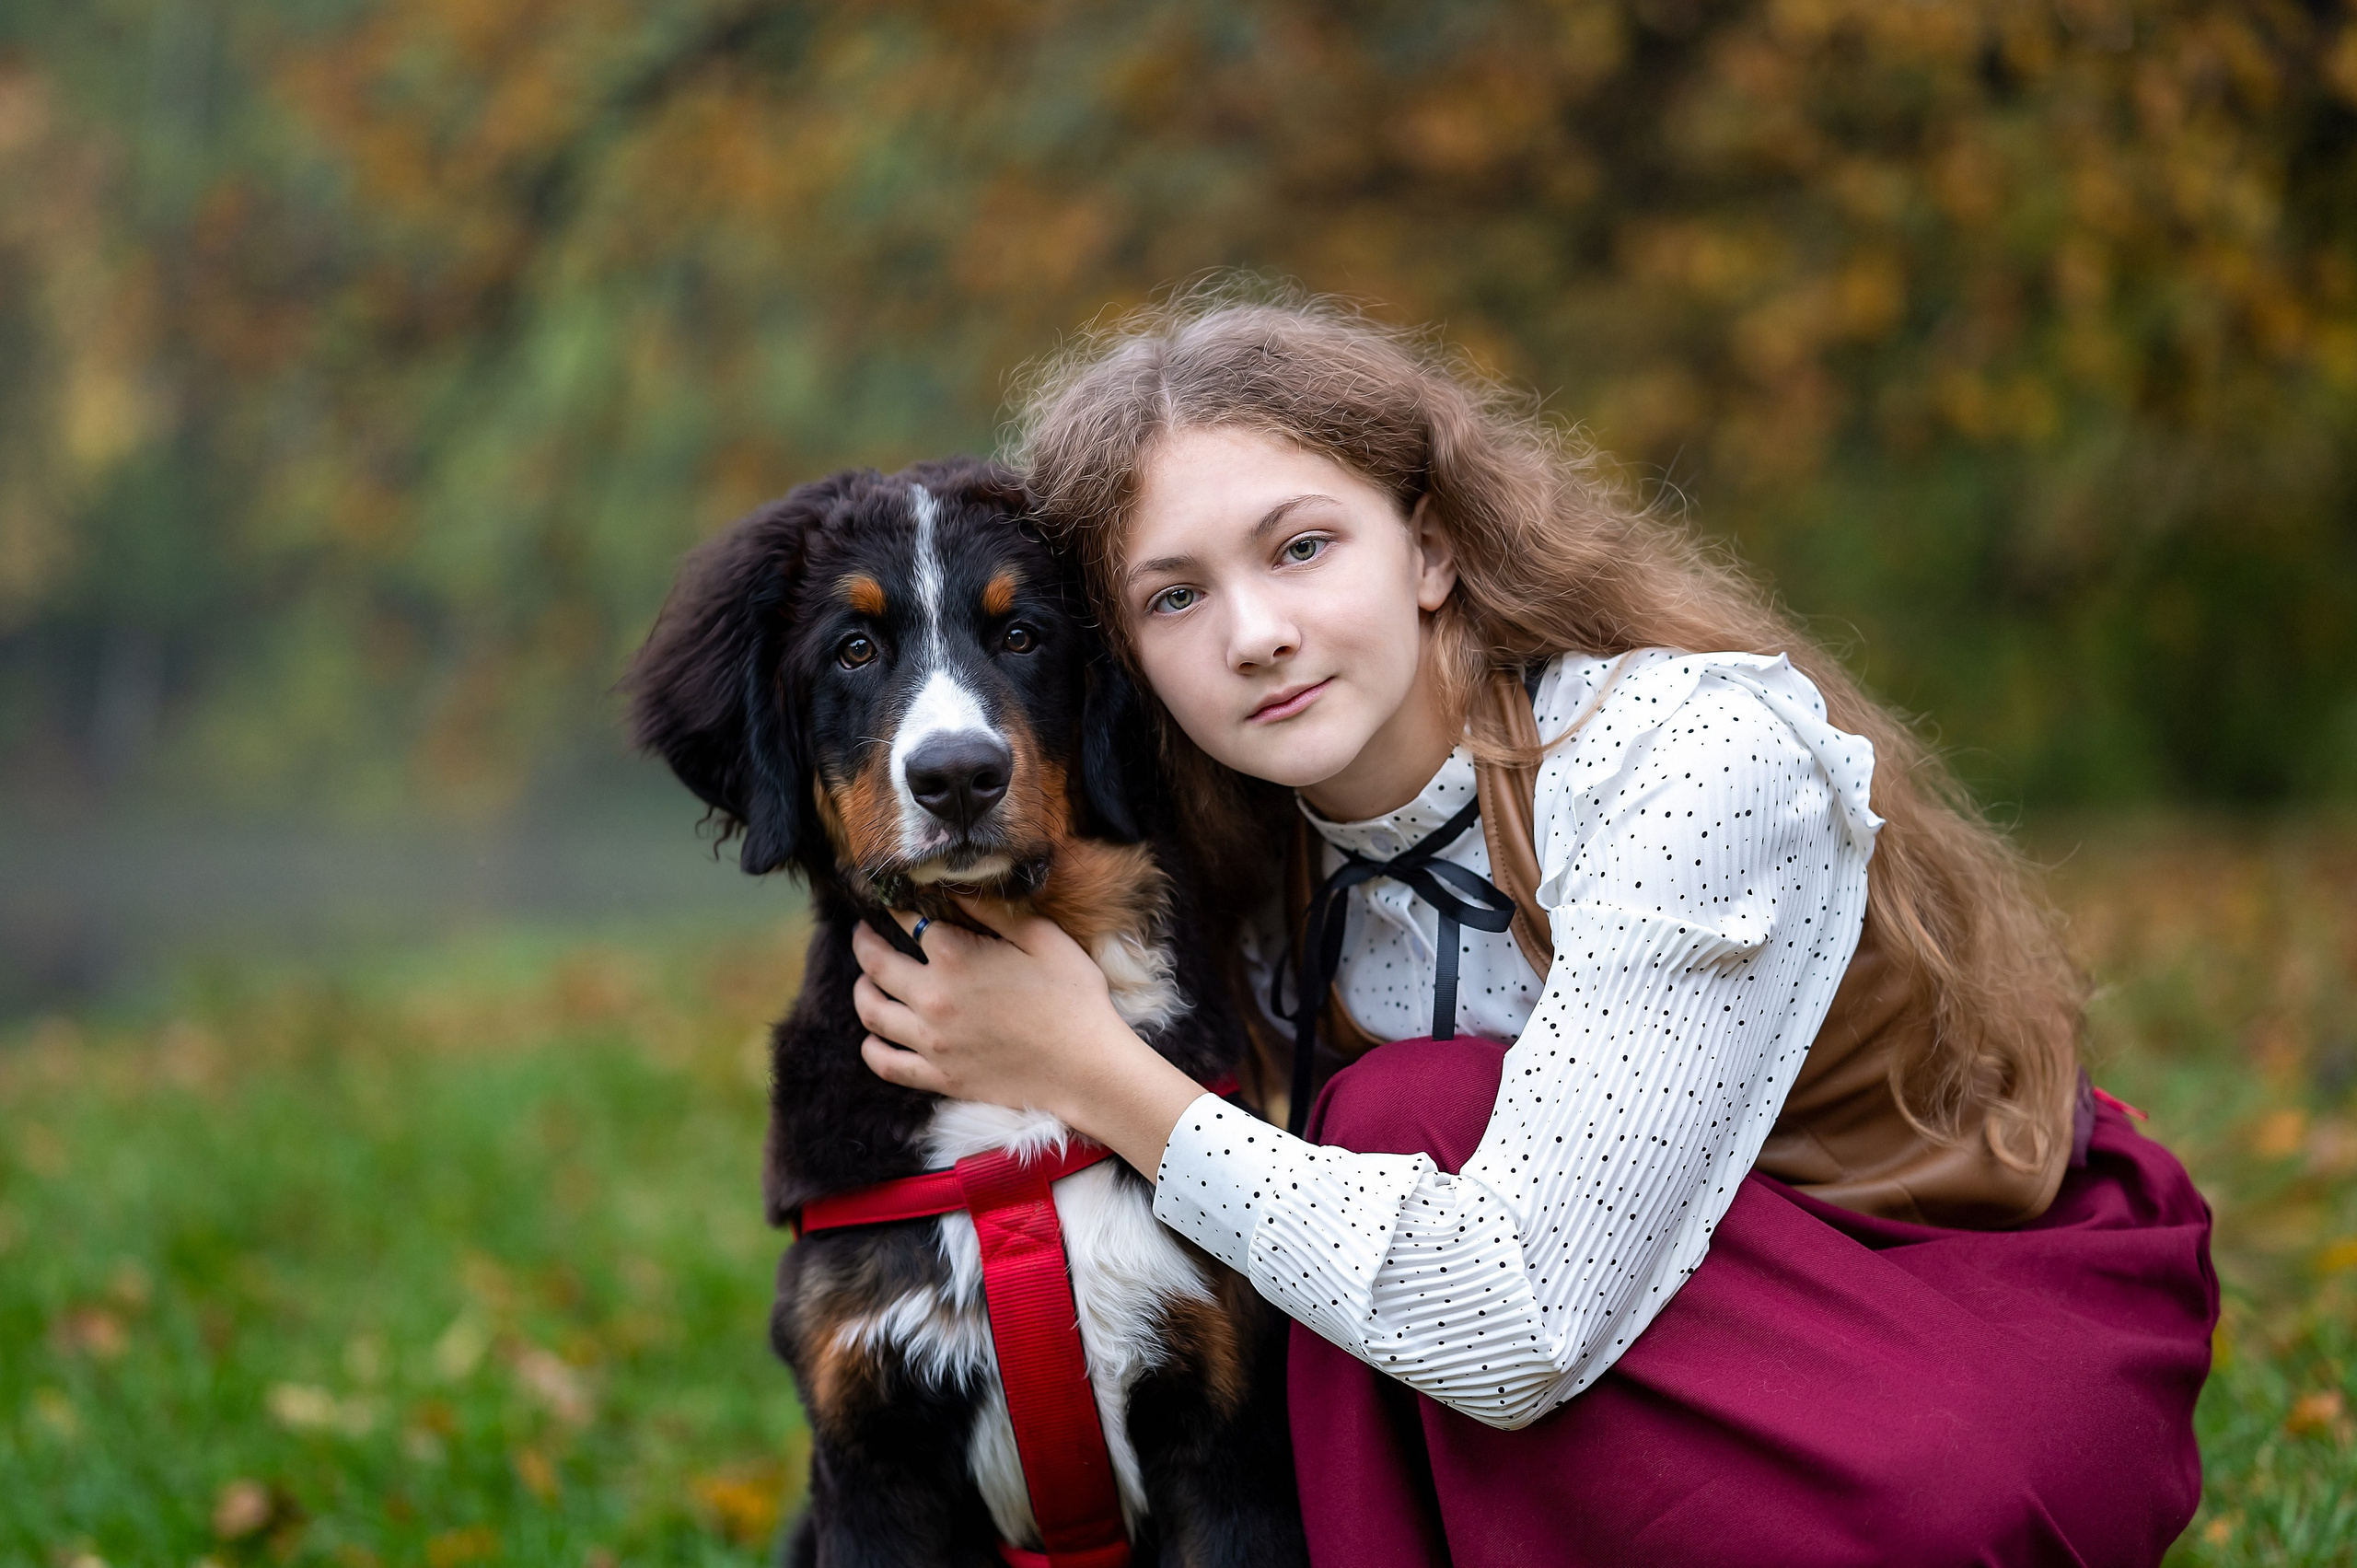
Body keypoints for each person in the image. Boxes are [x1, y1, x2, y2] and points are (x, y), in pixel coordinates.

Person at [845, 287, 2216, 1566]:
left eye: (1304, 546)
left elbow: (1516, 1322)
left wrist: (1093, 1071)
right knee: (1392, 1125)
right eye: (1176, 596)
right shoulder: (1243, 855)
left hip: (1934, 1344)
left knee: (1406, 1112)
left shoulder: (1689, 761)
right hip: (1591, 1396)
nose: (1254, 633)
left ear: (1432, 546)